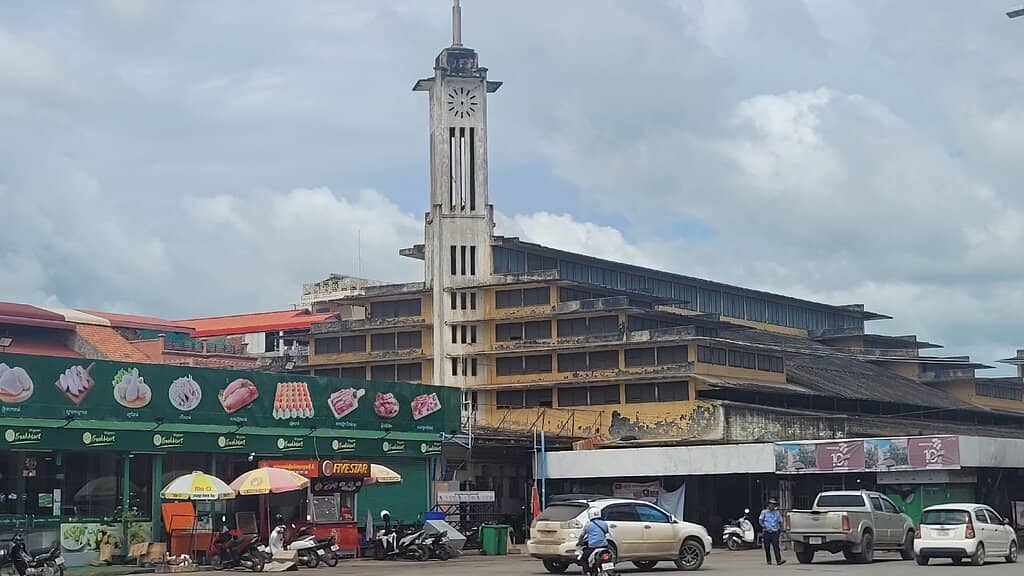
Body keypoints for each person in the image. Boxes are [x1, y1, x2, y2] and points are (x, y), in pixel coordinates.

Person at [578, 508, 609, 574]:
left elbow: (582, 535)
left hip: (593, 547)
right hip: (605, 546)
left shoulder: (588, 525)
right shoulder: (604, 523)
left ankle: (588, 572)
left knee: (583, 560)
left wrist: (579, 542)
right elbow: (606, 532)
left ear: (590, 515)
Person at [759, 497, 786, 565]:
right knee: (767, 547)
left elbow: (780, 522)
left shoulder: (777, 513)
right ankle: (769, 560)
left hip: (775, 531)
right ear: (768, 505)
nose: (772, 506)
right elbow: (760, 521)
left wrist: (781, 530)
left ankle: (778, 560)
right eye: (771, 504)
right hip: (767, 531)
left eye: (773, 504)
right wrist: (764, 526)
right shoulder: (764, 512)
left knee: (776, 546)